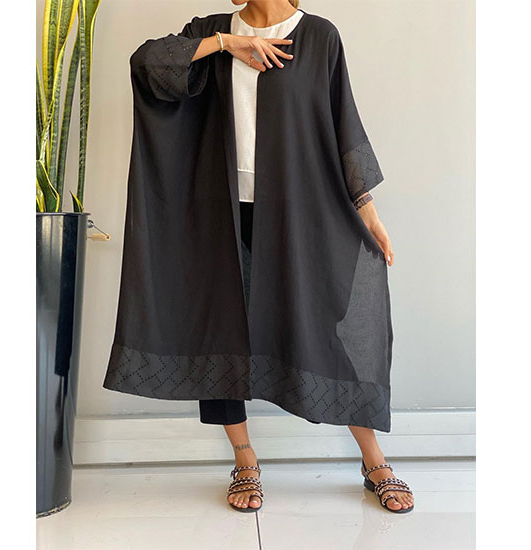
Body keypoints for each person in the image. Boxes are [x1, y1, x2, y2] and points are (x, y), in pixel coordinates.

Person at [103, 0, 414, 514]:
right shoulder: (209, 31)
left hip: (299, 209)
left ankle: (373, 460)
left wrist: (368, 211)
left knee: (327, 327)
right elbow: (148, 63)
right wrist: (227, 44)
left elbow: (343, 124)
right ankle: (244, 459)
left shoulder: (318, 37)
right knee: (220, 330)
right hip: (216, 209)